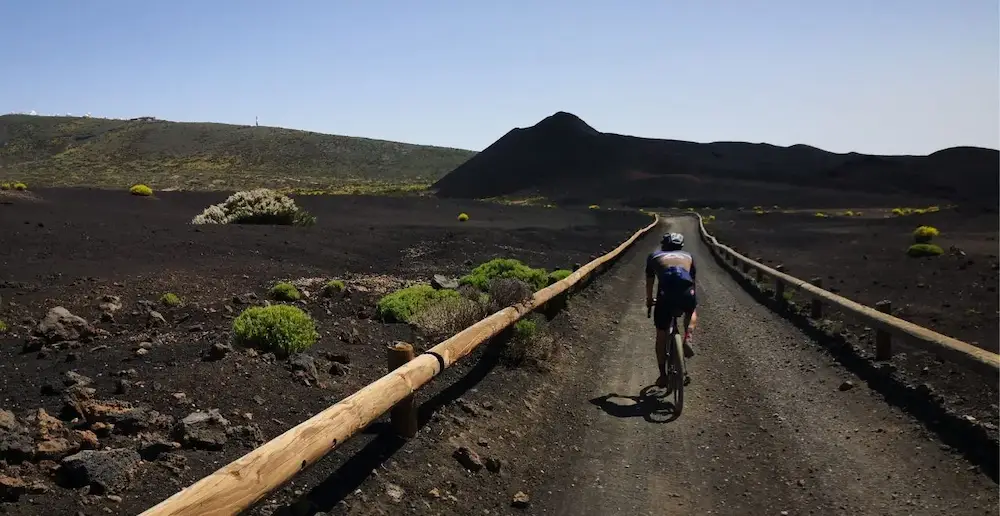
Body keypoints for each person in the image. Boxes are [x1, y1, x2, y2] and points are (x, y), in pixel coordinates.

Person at [645, 232, 698, 388]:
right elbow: (692, 280)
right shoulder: (689, 256)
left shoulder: (654, 256)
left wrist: (649, 300)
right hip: (686, 293)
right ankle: (687, 337)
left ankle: (663, 376)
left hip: (665, 296)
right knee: (692, 311)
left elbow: (650, 281)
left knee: (661, 334)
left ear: (664, 245)